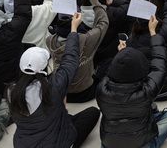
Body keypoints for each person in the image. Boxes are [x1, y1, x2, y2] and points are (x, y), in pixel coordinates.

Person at [8, 13, 100, 148]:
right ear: (45, 67)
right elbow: (70, 61)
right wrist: (73, 30)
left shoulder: (11, 90)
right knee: (93, 112)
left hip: (24, 143)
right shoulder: (53, 87)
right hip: (57, 143)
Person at [97, 15, 167, 148]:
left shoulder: (101, 89)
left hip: (110, 144)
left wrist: (121, 54)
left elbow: (111, 72)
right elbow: (159, 65)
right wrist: (153, 32)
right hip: (141, 144)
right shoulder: (147, 92)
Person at [47, 0, 108, 103]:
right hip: (86, 91)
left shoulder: (50, 41)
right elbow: (103, 22)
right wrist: (94, 0)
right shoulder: (88, 38)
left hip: (61, 90)